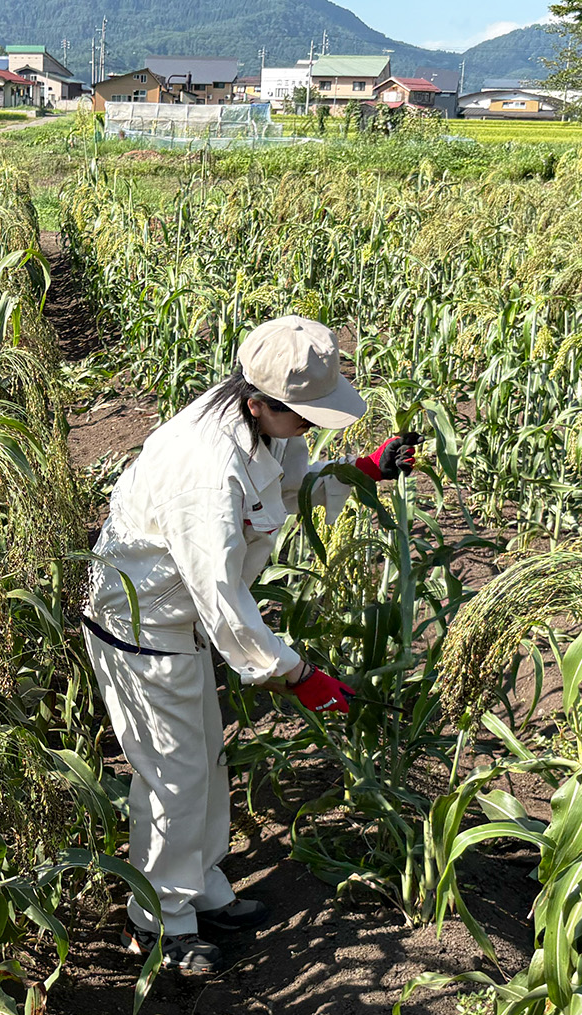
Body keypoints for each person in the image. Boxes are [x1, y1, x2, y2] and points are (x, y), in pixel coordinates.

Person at [83, 315, 420, 977]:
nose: (313, 428)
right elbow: (220, 598)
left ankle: (201, 889)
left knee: (204, 762)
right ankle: (160, 924)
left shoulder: (264, 427)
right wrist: (296, 675)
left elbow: (288, 489)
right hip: (142, 624)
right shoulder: (205, 471)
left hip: (177, 623)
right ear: (261, 401)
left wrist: (357, 473)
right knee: (172, 779)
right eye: (307, 416)